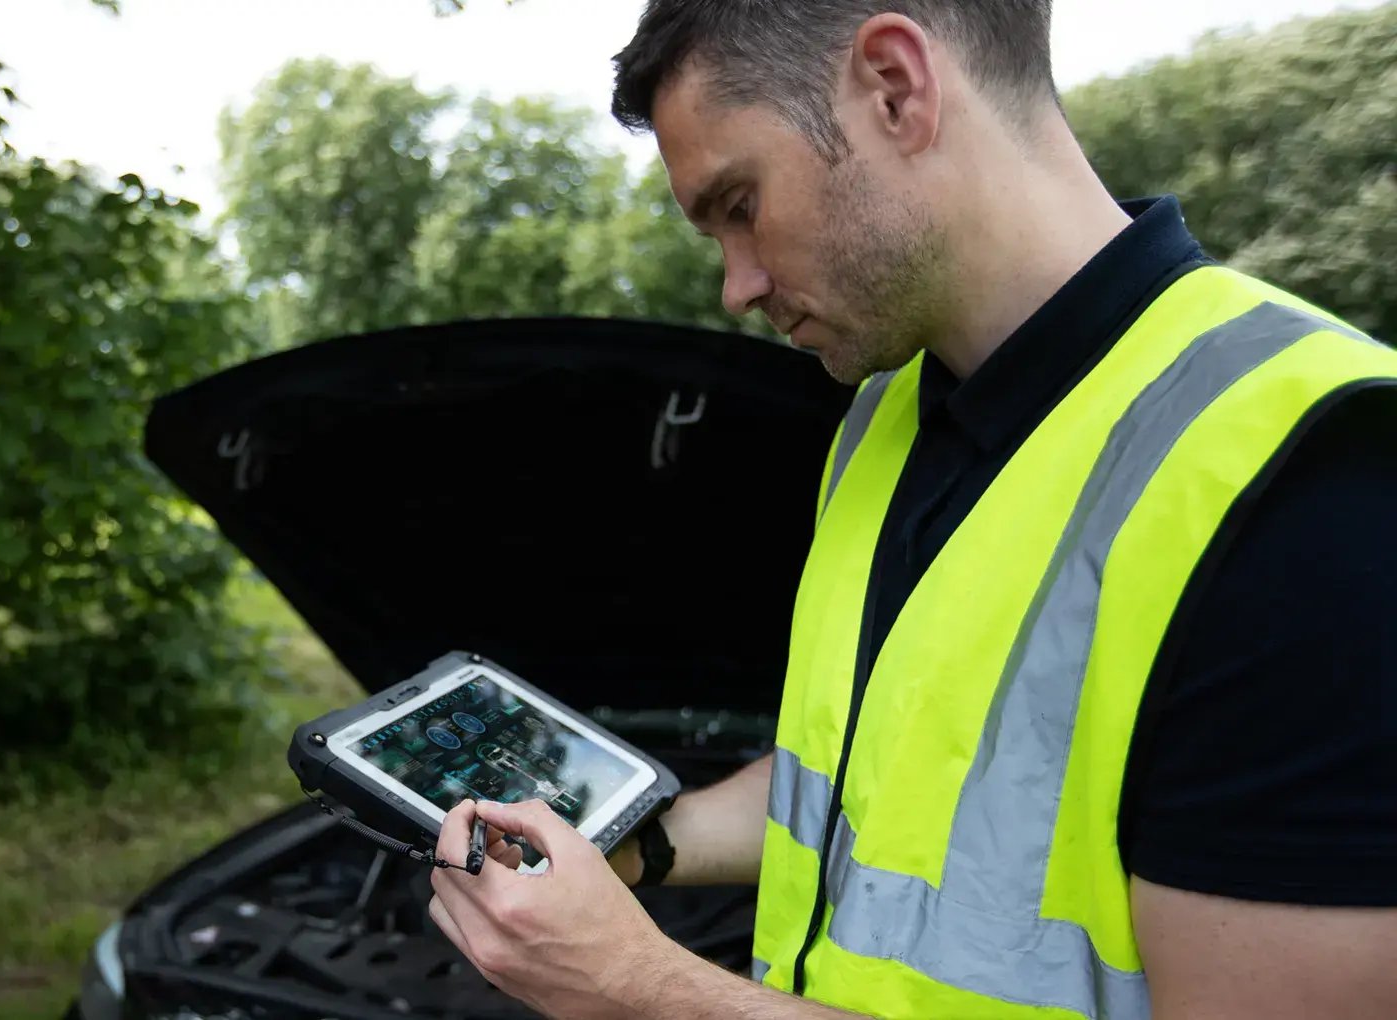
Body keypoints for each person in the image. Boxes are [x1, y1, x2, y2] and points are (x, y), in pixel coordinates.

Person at [426, 2, 1397, 1017]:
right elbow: (878, 779)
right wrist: (645, 842)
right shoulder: (883, 419)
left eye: (740, 204)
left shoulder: (1312, 480)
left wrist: (636, 987)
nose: (736, 286)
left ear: (896, 86)